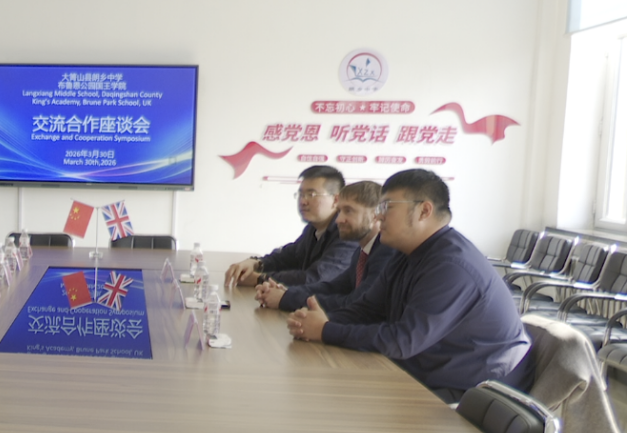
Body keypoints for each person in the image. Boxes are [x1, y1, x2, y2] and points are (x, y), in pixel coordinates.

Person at [287, 169, 533, 402]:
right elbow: (367, 310)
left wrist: (325, 330)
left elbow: (403, 341)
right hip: (429, 369)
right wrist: (313, 321)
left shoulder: (451, 266)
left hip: (472, 390)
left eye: (387, 207)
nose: (378, 216)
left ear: (424, 210)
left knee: (344, 398)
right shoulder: (406, 253)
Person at [255, 181, 397, 313]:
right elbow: (332, 287)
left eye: (348, 211)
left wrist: (287, 299)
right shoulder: (362, 251)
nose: (338, 219)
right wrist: (286, 292)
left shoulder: (387, 253)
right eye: (339, 211)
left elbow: (356, 303)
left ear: (375, 215)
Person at [224, 165, 357, 287]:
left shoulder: (347, 234)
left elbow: (315, 278)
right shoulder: (312, 229)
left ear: (336, 200)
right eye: (301, 194)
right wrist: (256, 263)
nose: (303, 201)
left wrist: (260, 279)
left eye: (311, 195)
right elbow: (287, 257)